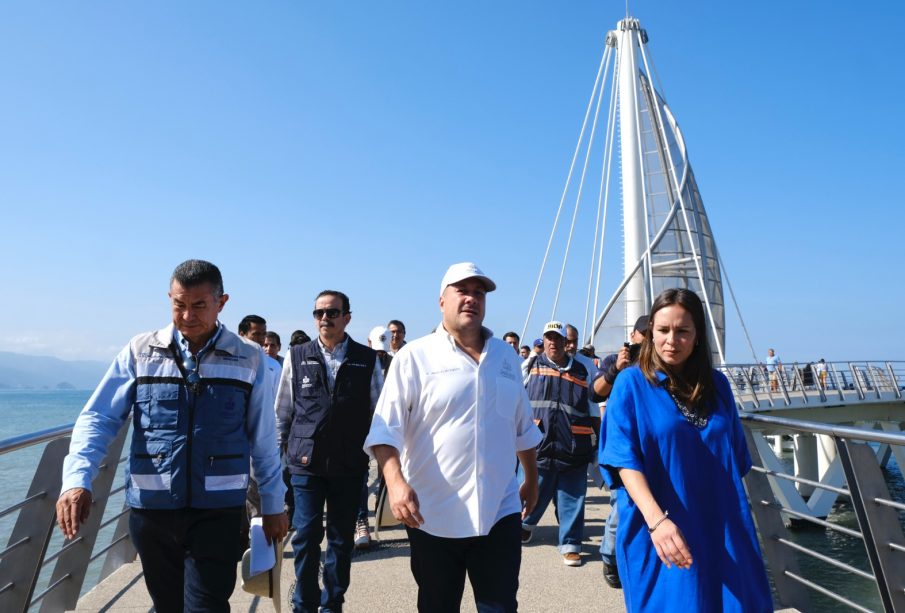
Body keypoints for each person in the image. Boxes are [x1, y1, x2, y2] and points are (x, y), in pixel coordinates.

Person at [56, 259, 288, 612]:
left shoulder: (248, 358)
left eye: (199, 306)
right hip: (152, 513)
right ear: (169, 298)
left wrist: (273, 505)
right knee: (167, 606)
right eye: (179, 305)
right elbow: (99, 417)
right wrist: (77, 479)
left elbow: (264, 440)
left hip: (219, 510)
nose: (187, 316)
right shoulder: (140, 351)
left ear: (221, 302)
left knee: (207, 606)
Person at [365, 262, 542, 613]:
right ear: (441, 301)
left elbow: (522, 428)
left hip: (499, 511)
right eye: (462, 291)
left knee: (501, 606)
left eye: (479, 293)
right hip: (434, 516)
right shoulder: (415, 357)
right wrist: (396, 482)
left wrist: (533, 479)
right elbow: (386, 430)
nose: (471, 299)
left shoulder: (506, 358)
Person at [599, 288, 772, 612]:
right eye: (663, 330)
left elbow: (735, 456)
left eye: (682, 331)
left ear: (697, 336)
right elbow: (623, 459)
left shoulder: (718, 386)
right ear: (650, 332)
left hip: (722, 528)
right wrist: (657, 522)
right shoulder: (631, 384)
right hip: (660, 531)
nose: (671, 340)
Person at [275, 290, 383, 613]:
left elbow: (379, 414)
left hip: (349, 465)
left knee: (340, 540)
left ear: (347, 317)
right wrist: (277, 466)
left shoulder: (367, 360)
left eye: (332, 313)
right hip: (305, 465)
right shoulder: (298, 356)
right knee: (306, 535)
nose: (325, 318)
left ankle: (332, 602)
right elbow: (281, 414)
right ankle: (304, 602)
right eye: (319, 313)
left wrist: (382, 461)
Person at [521, 320, 596, 567]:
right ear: (544, 341)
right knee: (535, 491)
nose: (553, 342)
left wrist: (598, 443)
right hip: (538, 445)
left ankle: (571, 545)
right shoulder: (530, 365)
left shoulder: (584, 370)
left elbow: (595, 408)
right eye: (548, 338)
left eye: (558, 338)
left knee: (573, 497)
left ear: (566, 342)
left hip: (574, 445)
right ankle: (524, 525)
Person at [592, 314, 648, 589]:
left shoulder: (660, 365)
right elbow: (596, 392)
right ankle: (610, 557)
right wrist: (618, 368)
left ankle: (638, 560)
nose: (647, 340)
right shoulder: (615, 361)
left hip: (649, 445)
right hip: (621, 443)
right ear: (633, 335)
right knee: (621, 507)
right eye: (643, 334)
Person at [352, 325, 395, 550]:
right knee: (360, 476)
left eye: (382, 352)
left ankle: (385, 510)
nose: (379, 355)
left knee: (388, 473)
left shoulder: (397, 362)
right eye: (376, 350)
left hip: (386, 429)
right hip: (361, 428)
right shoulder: (361, 359)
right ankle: (361, 521)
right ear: (369, 342)